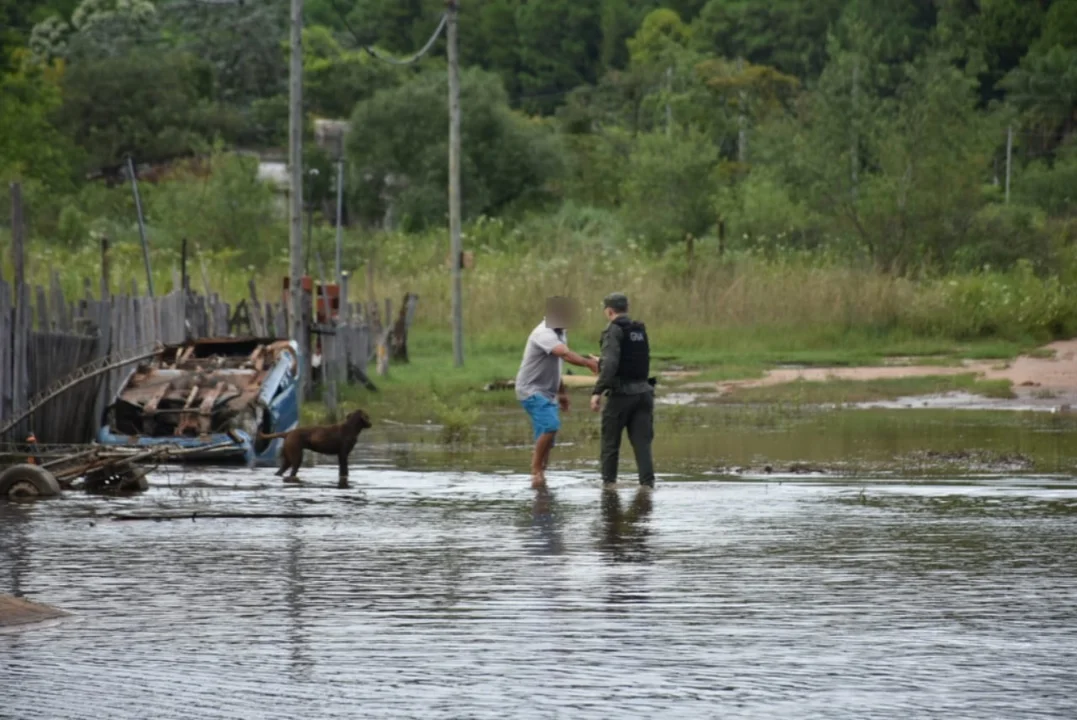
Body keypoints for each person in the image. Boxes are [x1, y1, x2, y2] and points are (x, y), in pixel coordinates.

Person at [516, 297, 599, 489]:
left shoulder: (560, 332)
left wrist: (562, 394)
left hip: (548, 391)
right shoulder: (543, 333)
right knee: (550, 426)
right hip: (531, 389)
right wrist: (588, 363)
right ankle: (536, 470)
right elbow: (565, 354)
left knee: (547, 439)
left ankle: (540, 479)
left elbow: (556, 364)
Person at [590, 292, 656, 489]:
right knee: (642, 445)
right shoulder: (639, 329)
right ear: (627, 308)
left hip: (622, 396)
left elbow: (611, 364)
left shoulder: (613, 330)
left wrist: (597, 391)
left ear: (608, 311)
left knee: (610, 445)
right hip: (644, 394)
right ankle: (647, 486)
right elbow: (633, 360)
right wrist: (602, 363)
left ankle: (608, 488)